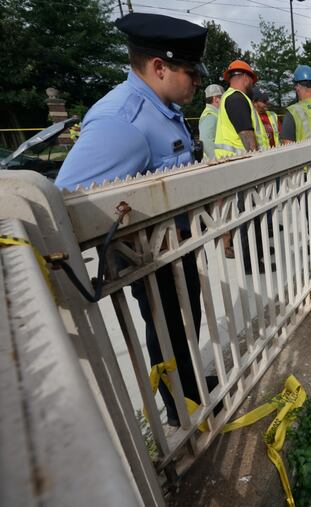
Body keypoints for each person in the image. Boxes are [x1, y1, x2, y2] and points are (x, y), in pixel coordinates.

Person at [54, 12, 213, 427]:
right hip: (149, 263)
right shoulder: (121, 122)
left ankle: (191, 386)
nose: (197, 81)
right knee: (167, 331)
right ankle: (180, 409)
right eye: (190, 72)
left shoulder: (161, 106)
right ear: (159, 67)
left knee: (184, 326)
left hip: (175, 250)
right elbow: (65, 202)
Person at [214, 59, 268, 158]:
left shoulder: (230, 97)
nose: (253, 85)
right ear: (245, 77)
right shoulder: (237, 99)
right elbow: (246, 136)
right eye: (253, 81)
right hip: (241, 163)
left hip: (234, 161)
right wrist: (258, 162)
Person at [199, 83, 224, 160]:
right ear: (216, 99)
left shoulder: (214, 113)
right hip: (215, 163)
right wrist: (216, 160)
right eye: (223, 98)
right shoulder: (210, 115)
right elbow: (206, 141)